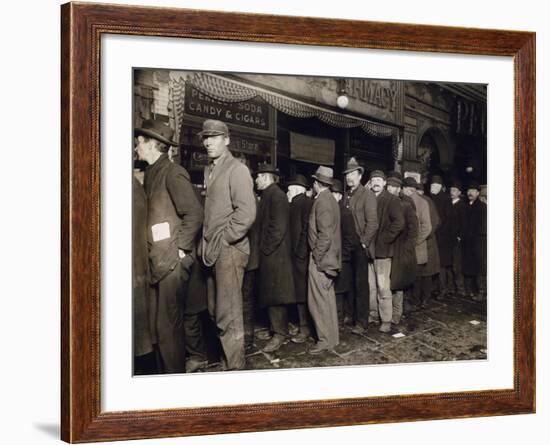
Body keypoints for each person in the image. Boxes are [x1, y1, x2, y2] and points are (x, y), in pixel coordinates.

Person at [134, 119, 204, 374]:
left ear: (154, 144)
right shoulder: (152, 172)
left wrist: (181, 250)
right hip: (158, 261)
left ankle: (172, 384)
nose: (136, 147)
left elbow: (195, 213)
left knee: (167, 328)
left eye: (140, 142)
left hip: (171, 262)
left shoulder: (173, 173)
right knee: (160, 328)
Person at [199, 119, 256, 370]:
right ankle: (227, 360)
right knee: (215, 311)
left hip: (229, 250)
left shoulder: (237, 169)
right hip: (212, 251)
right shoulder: (209, 169)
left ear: (227, 140)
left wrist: (223, 240)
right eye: (205, 137)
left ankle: (235, 370)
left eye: (214, 136)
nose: (208, 141)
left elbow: (246, 213)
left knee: (229, 315)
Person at [255, 164, 296, 352]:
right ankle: (276, 329)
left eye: (258, 177)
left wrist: (264, 249)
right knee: (272, 295)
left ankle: (280, 334)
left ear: (266, 177)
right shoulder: (270, 195)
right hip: (272, 255)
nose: (256, 181)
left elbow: (277, 229)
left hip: (275, 256)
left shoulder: (276, 196)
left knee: (276, 296)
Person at [307, 166, 342, 354]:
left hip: (322, 260)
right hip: (330, 259)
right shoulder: (331, 200)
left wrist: (316, 257)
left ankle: (323, 340)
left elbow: (325, 235)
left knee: (317, 302)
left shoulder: (322, 202)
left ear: (316, 183)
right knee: (327, 300)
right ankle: (332, 338)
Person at [342, 157, 378, 335]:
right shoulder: (347, 194)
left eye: (352, 174)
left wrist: (364, 242)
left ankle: (362, 322)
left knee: (361, 285)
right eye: (347, 174)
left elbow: (373, 223)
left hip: (360, 246)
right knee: (349, 282)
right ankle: (351, 314)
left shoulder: (367, 195)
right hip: (347, 245)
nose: (349, 177)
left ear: (360, 175)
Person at [368, 169, 405, 332]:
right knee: (371, 286)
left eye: (379, 180)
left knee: (383, 287)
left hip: (383, 251)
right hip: (368, 250)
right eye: (373, 179)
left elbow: (399, 223)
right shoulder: (367, 198)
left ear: (384, 183)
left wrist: (384, 239)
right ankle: (374, 313)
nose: (376, 182)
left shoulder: (391, 200)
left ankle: (386, 320)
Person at [386, 173, 418, 325]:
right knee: (389, 280)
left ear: (399, 188)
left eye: (394, 186)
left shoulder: (406, 203)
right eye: (389, 186)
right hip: (390, 247)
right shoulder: (386, 200)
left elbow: (413, 228)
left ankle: (397, 313)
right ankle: (389, 311)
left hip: (401, 248)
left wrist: (407, 247)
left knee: (397, 282)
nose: (391, 189)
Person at [287, 174, 314, 344]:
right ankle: (300, 325)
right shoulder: (299, 203)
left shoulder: (302, 204)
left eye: (289, 190)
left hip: (300, 257)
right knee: (298, 292)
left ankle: (305, 329)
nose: (287, 193)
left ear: (297, 190)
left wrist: (300, 253)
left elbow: (306, 230)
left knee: (302, 293)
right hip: (298, 255)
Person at [331, 179, 359, 327]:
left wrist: (344, 257)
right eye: (331, 193)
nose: (333, 196)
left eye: (336, 194)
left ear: (341, 196)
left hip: (343, 259)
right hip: (333, 257)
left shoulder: (345, 213)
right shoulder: (329, 210)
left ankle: (340, 320)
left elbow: (350, 238)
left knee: (341, 290)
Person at [402, 177, 432, 310]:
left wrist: (413, 241)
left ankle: (413, 303)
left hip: (415, 247)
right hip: (412, 247)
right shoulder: (420, 201)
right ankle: (410, 303)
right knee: (411, 277)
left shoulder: (419, 202)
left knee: (413, 277)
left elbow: (427, 227)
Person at [429, 175, 454, 299]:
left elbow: (448, 220)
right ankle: (438, 288)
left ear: (439, 187)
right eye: (431, 186)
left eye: (434, 186)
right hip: (436, 236)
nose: (431, 188)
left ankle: (443, 290)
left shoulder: (445, 199)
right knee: (436, 264)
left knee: (441, 265)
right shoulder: (432, 198)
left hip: (442, 237)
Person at [462, 181, 487, 301]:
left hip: (479, 241)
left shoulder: (482, 207)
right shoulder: (467, 205)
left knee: (480, 266)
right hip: (468, 242)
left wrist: (476, 236)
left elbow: (483, 226)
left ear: (478, 193)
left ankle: (482, 292)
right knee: (471, 265)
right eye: (468, 191)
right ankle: (472, 290)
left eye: (473, 191)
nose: (470, 193)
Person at [418, 180, 441, 308]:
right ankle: (423, 299)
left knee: (425, 272)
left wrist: (425, 235)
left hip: (427, 242)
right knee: (423, 272)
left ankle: (424, 299)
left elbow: (436, 221)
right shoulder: (427, 200)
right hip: (426, 240)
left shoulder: (426, 201)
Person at [449, 181, 467, 297]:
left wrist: (460, 236)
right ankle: (450, 288)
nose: (452, 192)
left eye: (454, 190)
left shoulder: (462, 206)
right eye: (451, 190)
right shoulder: (448, 203)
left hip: (457, 239)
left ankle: (460, 288)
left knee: (457, 265)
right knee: (449, 264)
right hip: (448, 239)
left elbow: (464, 224)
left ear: (459, 193)